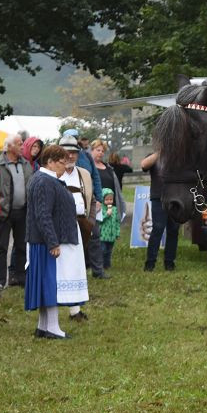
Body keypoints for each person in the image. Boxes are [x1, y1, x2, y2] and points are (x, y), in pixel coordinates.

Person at [24, 145, 80, 339]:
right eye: (62, 162)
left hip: (42, 241)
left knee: (45, 284)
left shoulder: (44, 179)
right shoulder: (44, 181)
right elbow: (43, 215)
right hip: (44, 242)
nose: (65, 166)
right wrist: (53, 242)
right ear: (50, 161)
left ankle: (43, 326)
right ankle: (53, 328)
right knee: (49, 285)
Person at [57, 135, 93, 322]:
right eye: (66, 152)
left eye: (73, 152)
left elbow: (92, 200)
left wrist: (91, 222)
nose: (70, 156)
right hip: (58, 227)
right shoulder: (53, 173)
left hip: (80, 225)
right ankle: (53, 309)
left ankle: (75, 310)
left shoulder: (84, 174)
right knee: (59, 268)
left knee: (77, 268)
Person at [0, 133, 34, 293]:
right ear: (10, 146)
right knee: (1, 248)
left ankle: (21, 277)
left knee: (22, 246)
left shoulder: (26, 164)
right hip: (3, 213)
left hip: (22, 212)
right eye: (19, 144)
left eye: (22, 143)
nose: (22, 146)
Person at [86, 139, 124, 279]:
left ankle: (105, 263)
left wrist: (120, 206)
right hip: (95, 207)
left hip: (110, 207)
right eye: (98, 150)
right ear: (91, 150)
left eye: (102, 151)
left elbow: (117, 189)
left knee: (109, 236)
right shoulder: (89, 168)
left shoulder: (108, 168)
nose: (100, 153)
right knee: (97, 237)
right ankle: (95, 264)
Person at [141, 151, 181, 271]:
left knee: (173, 230)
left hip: (176, 198)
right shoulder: (154, 156)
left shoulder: (178, 156)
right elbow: (143, 165)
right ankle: (150, 263)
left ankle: (169, 262)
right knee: (158, 228)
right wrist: (160, 152)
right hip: (159, 197)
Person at [95, 188, 121, 272]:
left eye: (111, 199)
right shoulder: (101, 209)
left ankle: (107, 265)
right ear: (103, 200)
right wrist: (107, 214)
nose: (109, 201)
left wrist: (117, 233)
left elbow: (117, 222)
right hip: (103, 235)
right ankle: (100, 265)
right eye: (107, 199)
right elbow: (100, 220)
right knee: (103, 250)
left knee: (109, 251)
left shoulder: (115, 209)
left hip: (112, 235)